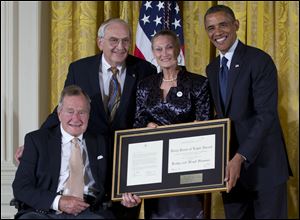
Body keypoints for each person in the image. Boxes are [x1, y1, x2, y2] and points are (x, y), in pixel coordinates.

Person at [14, 18, 157, 218]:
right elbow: (65, 109)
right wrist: (34, 144)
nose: (120, 47)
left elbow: (148, 113)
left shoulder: (145, 70)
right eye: (113, 40)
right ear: (100, 42)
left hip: (124, 158)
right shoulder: (80, 69)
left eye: (126, 41)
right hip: (89, 147)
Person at [203, 5, 292, 219]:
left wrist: (240, 157)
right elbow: (223, 117)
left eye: (223, 25)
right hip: (232, 174)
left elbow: (266, 116)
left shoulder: (259, 60)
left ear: (236, 25)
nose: (217, 32)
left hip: (264, 169)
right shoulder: (212, 68)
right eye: (211, 28)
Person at [121, 30, 211, 219]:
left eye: (169, 47)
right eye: (159, 49)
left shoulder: (198, 83)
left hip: (188, 166)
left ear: (178, 49)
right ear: (153, 52)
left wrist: (193, 128)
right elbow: (138, 124)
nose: (164, 53)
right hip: (155, 169)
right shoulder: (145, 86)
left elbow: (206, 125)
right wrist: (146, 129)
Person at [12, 85, 115, 219]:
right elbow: (21, 187)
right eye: (70, 111)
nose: (76, 118)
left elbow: (113, 183)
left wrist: (126, 196)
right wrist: (58, 202)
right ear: (59, 113)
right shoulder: (37, 140)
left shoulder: (101, 142)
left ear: (89, 115)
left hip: (89, 211)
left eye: (82, 112)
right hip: (45, 211)